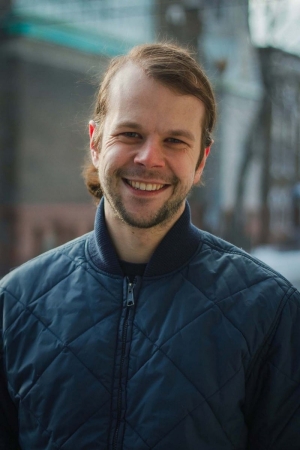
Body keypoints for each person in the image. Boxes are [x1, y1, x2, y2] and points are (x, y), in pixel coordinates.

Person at [1, 43, 300, 450]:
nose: (149, 158)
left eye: (175, 141)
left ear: (201, 161)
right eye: (130, 133)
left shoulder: (270, 310)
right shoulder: (15, 304)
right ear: (95, 140)